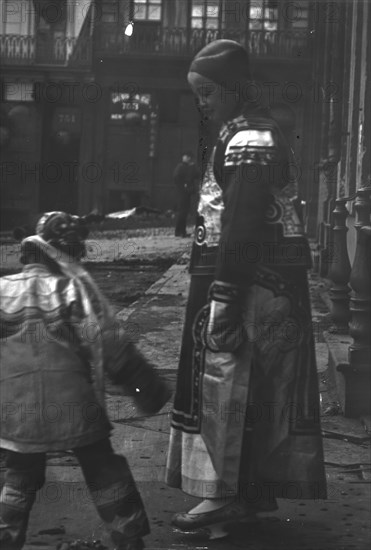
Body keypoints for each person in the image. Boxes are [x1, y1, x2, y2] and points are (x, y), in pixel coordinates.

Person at [165, 40, 326, 538]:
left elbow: (242, 222)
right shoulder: (247, 132)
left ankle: (220, 497)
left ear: (233, 89)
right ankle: (250, 496)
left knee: (227, 382)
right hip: (266, 282)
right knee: (258, 388)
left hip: (249, 284)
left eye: (209, 92)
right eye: (198, 95)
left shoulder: (248, 139)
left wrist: (225, 296)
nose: (203, 103)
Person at [0, 211, 171, 550]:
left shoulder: (2, 289)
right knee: (102, 465)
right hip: (73, 401)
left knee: (20, 472)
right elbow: (112, 345)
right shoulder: (73, 288)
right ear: (70, 254)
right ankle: (128, 536)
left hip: (18, 409)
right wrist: (146, 389)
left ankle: (6, 536)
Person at [173, 152, 199, 237]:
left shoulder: (189, 167)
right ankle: (180, 232)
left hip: (186, 192)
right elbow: (176, 178)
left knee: (184, 211)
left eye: (186, 156)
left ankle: (180, 231)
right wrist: (184, 185)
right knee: (183, 212)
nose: (184, 158)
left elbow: (197, 175)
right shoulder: (181, 167)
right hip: (182, 191)